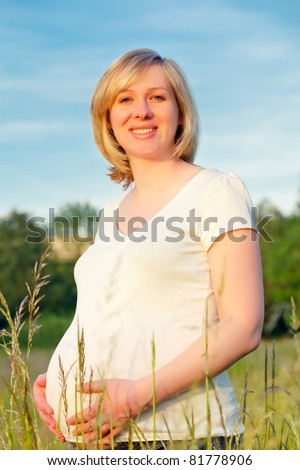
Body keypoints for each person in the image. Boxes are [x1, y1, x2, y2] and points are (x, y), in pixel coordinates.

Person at [33, 48, 264, 450]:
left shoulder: (215, 191)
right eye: (125, 99)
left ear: (180, 113)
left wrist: (135, 396)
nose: (141, 110)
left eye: (157, 97)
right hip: (95, 437)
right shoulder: (110, 213)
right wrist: (57, 380)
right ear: (108, 118)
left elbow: (243, 327)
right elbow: (109, 314)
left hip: (177, 434)